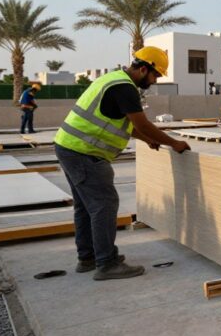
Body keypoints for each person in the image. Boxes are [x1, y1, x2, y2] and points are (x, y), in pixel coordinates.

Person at [54, 46, 191, 280]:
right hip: (84, 152)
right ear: (144, 68)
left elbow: (123, 124)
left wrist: (147, 140)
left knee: (86, 206)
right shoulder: (125, 88)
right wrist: (174, 143)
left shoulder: (112, 79)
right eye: (156, 75)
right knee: (104, 205)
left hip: (69, 147)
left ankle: (87, 258)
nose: (155, 80)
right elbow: (143, 123)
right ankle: (106, 264)